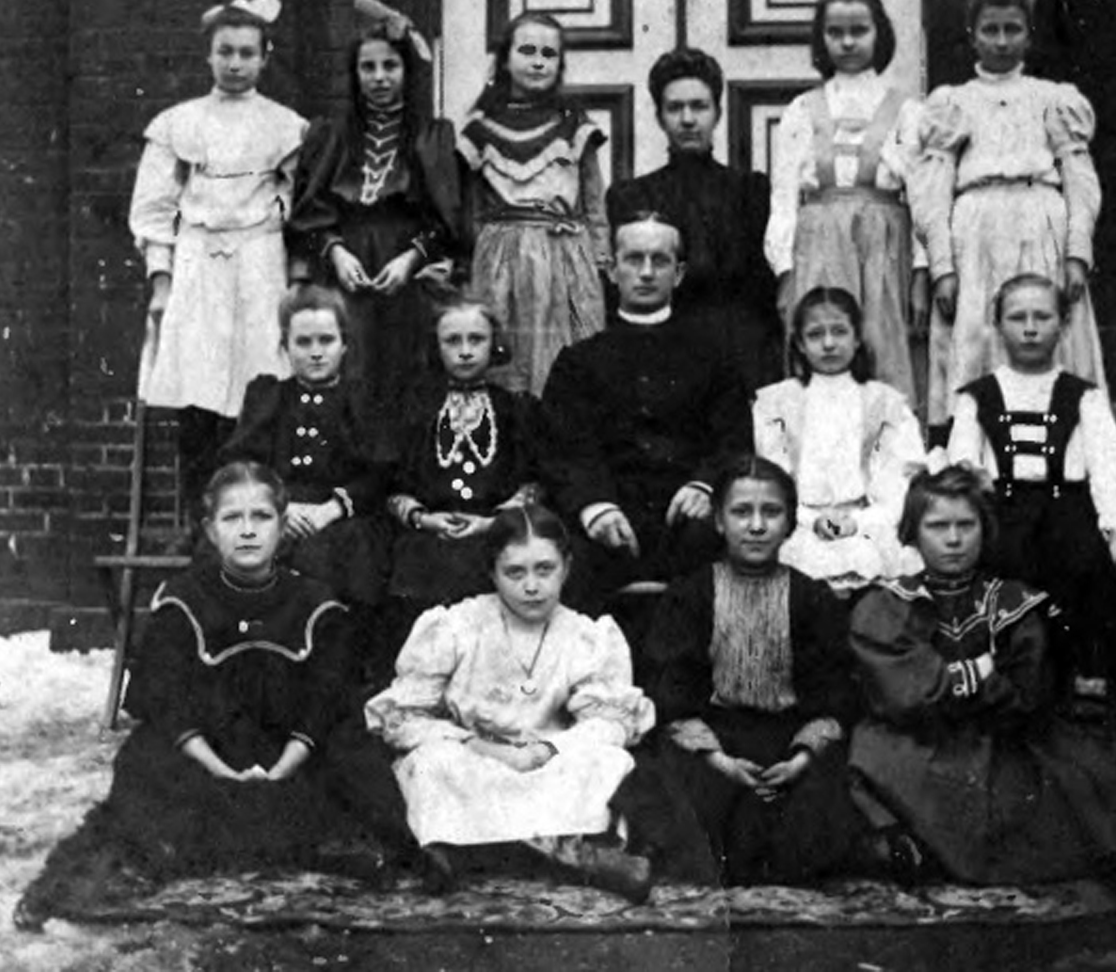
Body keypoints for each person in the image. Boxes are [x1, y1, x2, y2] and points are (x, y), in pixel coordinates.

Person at [15, 462, 411, 930]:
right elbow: (164, 696)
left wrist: (285, 765)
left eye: (262, 518)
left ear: (283, 527)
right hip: (210, 750)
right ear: (210, 530)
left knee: (356, 759)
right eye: (232, 519)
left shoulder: (316, 601)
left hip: (291, 752)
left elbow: (326, 698)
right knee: (143, 763)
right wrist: (218, 768)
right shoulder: (182, 599)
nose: (247, 531)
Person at [847, 465, 1116, 886]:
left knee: (1066, 787)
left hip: (998, 734)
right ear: (912, 534)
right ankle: (912, 845)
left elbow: (1025, 693)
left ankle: (945, 852)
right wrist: (983, 669)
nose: (953, 539)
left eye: (965, 525)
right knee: (869, 759)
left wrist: (945, 679)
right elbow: (905, 694)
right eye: (937, 526)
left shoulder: (1014, 604)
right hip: (917, 736)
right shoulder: (888, 606)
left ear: (985, 530)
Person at [364, 503, 657, 901]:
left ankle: (471, 847)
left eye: (545, 570)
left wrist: (548, 748)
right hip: (476, 756)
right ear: (492, 572)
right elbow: (403, 716)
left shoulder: (587, 636)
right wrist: (485, 749)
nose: (531, 586)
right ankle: (566, 853)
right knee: (433, 763)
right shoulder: (456, 627)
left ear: (566, 568)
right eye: (515, 573)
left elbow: (608, 721)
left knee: (606, 761)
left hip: (547, 760)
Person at [644, 455, 865, 885]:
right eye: (742, 512)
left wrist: (801, 759)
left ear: (790, 522)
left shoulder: (811, 598)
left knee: (815, 820)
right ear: (720, 522)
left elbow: (835, 689)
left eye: (772, 512)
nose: (757, 525)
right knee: (692, 812)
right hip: (714, 741)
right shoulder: (690, 595)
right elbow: (672, 687)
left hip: (789, 739)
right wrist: (719, 760)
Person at [912, 0, 1107, 439]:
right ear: (972, 34)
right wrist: (942, 266)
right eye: (990, 30)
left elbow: (1080, 179)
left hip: (1040, 223)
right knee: (977, 338)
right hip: (975, 231)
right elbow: (932, 191)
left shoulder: (1053, 99)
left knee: (1038, 327)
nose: (1002, 41)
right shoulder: (953, 102)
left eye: (1012, 30)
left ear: (1028, 34)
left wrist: (1078, 253)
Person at [128, 0, 308, 508]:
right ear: (208, 55)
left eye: (247, 53)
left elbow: (300, 207)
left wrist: (295, 280)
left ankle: (256, 520)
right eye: (225, 51)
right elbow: (155, 209)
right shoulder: (178, 123)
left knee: (259, 392)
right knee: (198, 391)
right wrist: (161, 282)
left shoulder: (285, 126)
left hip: (259, 263)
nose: (235, 63)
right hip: (198, 265)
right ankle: (200, 523)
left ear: (264, 57)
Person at [540, 211, 753, 609]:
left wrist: (705, 485)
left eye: (661, 260)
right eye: (634, 259)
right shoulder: (578, 362)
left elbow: (734, 439)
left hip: (688, 517)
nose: (647, 272)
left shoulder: (714, 359)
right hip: (606, 515)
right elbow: (563, 449)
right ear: (611, 268)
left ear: (680, 273)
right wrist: (594, 507)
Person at [947, 272, 1116, 694]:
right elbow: (962, 469)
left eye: (1042, 317)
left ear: (1064, 324)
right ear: (998, 327)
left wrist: (1115, 530)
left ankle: (1059, 692)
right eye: (1017, 318)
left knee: (1082, 582)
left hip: (1066, 518)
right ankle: (1007, 694)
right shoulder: (976, 397)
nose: (1030, 328)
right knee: (995, 584)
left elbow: (1110, 471)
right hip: (999, 520)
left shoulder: (1084, 397)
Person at [287, 3, 463, 426]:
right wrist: (334, 252)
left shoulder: (430, 136)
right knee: (351, 369)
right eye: (368, 67)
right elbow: (308, 212)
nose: (380, 77)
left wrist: (412, 259)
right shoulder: (330, 135)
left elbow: (447, 218)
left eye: (390, 66)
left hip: (405, 270)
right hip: (346, 267)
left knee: (405, 370)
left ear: (407, 72)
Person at [764, 0, 926, 406]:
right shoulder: (802, 110)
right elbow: (783, 199)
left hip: (884, 247)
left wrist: (921, 273)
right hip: (819, 246)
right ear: (821, 40)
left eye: (859, 30)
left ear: (880, 34)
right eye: (835, 32)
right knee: (826, 338)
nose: (848, 42)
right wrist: (784, 271)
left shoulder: (907, 110)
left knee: (882, 345)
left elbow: (924, 200)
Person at [607, 47, 780, 388]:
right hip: (661, 355)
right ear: (659, 117)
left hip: (741, 360)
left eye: (699, 106)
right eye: (675, 108)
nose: (687, 119)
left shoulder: (751, 191)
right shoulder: (632, 196)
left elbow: (763, 296)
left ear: (717, 112)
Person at [457, 11, 609, 396]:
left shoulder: (573, 122)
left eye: (549, 53)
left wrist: (600, 261)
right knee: (506, 364)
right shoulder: (481, 127)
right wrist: (483, 255)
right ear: (505, 59)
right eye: (527, 50)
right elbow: (472, 208)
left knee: (568, 364)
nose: (538, 61)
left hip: (565, 255)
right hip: (501, 260)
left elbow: (593, 202)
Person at [384, 297, 547, 648]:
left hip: (495, 534)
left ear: (494, 343)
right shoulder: (415, 406)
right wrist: (423, 519)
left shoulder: (515, 408)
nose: (465, 351)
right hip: (427, 537)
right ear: (436, 346)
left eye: (476, 340)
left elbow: (533, 483)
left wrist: (494, 523)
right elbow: (393, 485)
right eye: (452, 341)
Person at [219, 285, 386, 611]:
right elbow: (239, 466)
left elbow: (379, 475)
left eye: (326, 340)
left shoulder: (362, 401)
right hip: (275, 513)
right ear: (285, 347)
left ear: (345, 344)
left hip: (340, 519)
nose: (316, 352)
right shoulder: (267, 396)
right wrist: (278, 507)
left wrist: (331, 510)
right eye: (303, 342)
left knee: (337, 561)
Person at [753, 286, 926, 590]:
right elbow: (773, 476)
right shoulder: (777, 404)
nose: (829, 343)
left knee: (871, 561)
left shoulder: (884, 404)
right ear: (800, 344)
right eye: (816, 334)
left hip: (866, 524)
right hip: (798, 524)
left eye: (839, 332)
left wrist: (857, 522)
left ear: (857, 338)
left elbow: (897, 483)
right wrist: (810, 519)